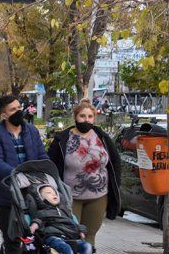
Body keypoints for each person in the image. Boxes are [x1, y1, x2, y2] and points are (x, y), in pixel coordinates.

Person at [0, 95, 49, 254]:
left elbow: (40, 155)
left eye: (19, 107)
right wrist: (17, 175)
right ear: (4, 115)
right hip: (5, 195)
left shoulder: (31, 131)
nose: (18, 111)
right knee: (12, 238)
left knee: (17, 236)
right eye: (13, 110)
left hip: (30, 193)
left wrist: (46, 171)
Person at [47, 100, 121, 246]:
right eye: (82, 116)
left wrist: (115, 186)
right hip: (70, 196)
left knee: (89, 236)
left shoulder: (102, 137)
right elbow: (50, 165)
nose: (86, 120)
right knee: (71, 235)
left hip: (98, 196)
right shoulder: (62, 139)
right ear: (75, 117)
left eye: (90, 116)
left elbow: (115, 163)